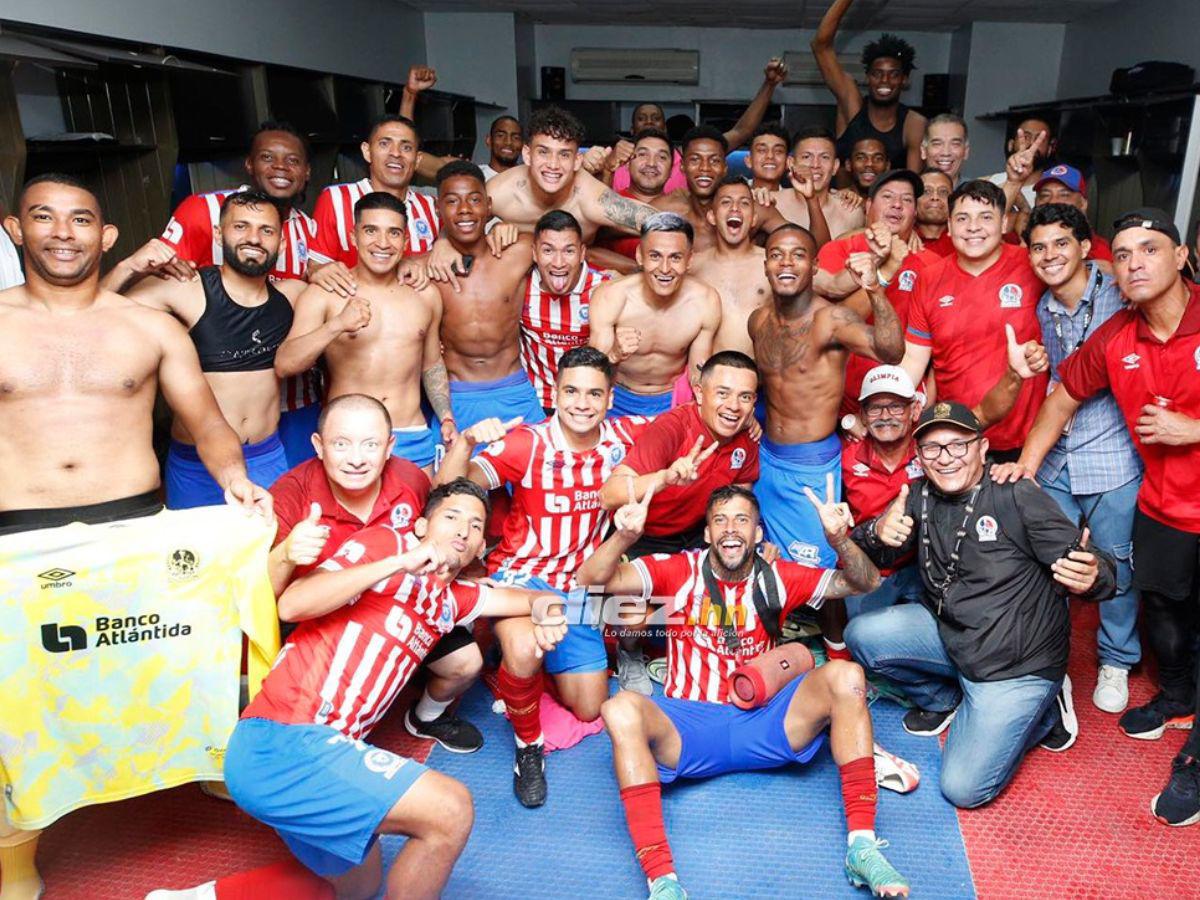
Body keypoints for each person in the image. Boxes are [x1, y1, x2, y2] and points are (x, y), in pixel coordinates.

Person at [211, 479, 568, 900]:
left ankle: (201, 896)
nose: (462, 530)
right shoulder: (384, 544)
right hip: (283, 737)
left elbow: (533, 599)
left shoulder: (453, 600)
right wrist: (399, 562)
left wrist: (551, 614)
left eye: (475, 527)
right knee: (449, 809)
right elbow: (292, 604)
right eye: (451, 517)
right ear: (420, 527)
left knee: (360, 888)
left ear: (477, 550)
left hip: (326, 751)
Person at [578, 485, 912, 900]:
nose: (730, 529)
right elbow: (589, 580)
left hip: (764, 719)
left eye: (742, 520)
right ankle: (662, 881)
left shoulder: (778, 575)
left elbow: (865, 583)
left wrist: (838, 539)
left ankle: (861, 848)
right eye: (720, 520)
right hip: (690, 726)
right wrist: (624, 537)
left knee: (846, 676)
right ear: (706, 533)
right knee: (619, 709)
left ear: (758, 534)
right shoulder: (678, 570)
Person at [1003, 208, 1200, 826]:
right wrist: (1026, 468)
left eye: (1149, 248)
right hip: (1164, 504)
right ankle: (1175, 698)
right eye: (1124, 253)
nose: (1135, 262)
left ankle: (1193, 765)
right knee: (1163, 607)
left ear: (1182, 256)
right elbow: (1061, 399)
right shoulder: (1117, 335)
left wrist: (1191, 429)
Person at [845, 401, 1114, 809]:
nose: (946, 458)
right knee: (862, 634)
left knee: (963, 788)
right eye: (933, 449)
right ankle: (946, 700)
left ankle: (1045, 709)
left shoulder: (1016, 493)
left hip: (1014, 663)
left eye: (958, 445)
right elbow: (875, 555)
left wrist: (1094, 575)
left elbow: (1099, 570)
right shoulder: (917, 496)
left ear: (983, 448)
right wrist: (875, 533)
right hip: (954, 635)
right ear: (920, 458)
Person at [436, 347, 650, 806]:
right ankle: (528, 746)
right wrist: (467, 443)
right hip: (522, 577)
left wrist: (747, 424)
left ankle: (512, 676)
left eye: (595, 393)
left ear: (611, 399)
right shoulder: (528, 443)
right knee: (528, 648)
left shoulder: (623, 439)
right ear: (554, 393)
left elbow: (688, 423)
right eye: (571, 391)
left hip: (575, 587)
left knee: (590, 706)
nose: (582, 403)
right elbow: (448, 490)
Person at [0, 173, 270, 526]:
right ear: (16, 230)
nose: (63, 232)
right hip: (18, 526)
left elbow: (208, 425)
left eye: (80, 220)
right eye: (43, 216)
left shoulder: (152, 328)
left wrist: (234, 478)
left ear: (106, 236)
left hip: (133, 519)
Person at [268, 394, 486, 754]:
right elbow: (263, 596)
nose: (356, 459)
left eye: (370, 445)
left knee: (465, 662)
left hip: (400, 605)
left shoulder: (409, 479)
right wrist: (285, 555)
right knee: (324, 737)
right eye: (342, 444)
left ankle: (425, 717)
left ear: (389, 447)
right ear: (319, 446)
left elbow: (439, 524)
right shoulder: (290, 496)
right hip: (324, 621)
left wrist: (465, 570)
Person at [992, 203, 1143, 713]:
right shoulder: (1043, 310)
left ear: (1085, 247)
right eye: (1038, 246)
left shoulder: (1121, 294)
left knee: (1114, 561)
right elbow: (1062, 381)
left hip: (1113, 454)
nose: (1049, 255)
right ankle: (1045, 660)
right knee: (1046, 562)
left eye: (1061, 243)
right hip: (1059, 454)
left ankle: (1118, 658)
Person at [750, 223, 902, 660]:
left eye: (798, 255)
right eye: (777, 254)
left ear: (815, 266)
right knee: (765, 556)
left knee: (823, 566)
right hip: (767, 461)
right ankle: (765, 647)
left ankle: (837, 656)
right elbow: (770, 388)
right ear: (765, 264)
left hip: (813, 466)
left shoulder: (831, 318)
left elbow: (889, 351)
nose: (786, 263)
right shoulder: (758, 320)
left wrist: (873, 289)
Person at [150, 121, 322, 467]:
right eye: (268, 157)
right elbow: (160, 274)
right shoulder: (203, 210)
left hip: (297, 401)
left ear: (306, 172)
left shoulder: (309, 228)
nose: (280, 168)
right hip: (218, 408)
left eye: (292, 161)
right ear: (249, 164)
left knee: (291, 506)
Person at [125, 191, 303, 508]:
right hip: (197, 465)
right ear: (220, 236)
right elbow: (94, 314)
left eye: (267, 230)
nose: (254, 238)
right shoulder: (186, 287)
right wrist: (129, 266)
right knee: (199, 557)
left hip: (267, 456)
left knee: (272, 555)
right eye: (241, 227)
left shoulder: (293, 295)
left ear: (282, 243)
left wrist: (323, 270)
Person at [598, 351, 762, 692]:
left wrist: (747, 551)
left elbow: (739, 502)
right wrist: (665, 477)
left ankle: (697, 645)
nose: (734, 405)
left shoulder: (746, 440)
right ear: (700, 392)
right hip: (644, 535)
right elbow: (609, 494)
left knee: (750, 579)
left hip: (694, 536)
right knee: (634, 616)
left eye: (744, 397)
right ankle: (630, 654)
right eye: (723, 393)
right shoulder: (671, 428)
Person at [276, 192, 451, 472]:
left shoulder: (425, 294)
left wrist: (446, 416)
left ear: (405, 240)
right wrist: (337, 325)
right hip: (348, 437)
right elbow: (285, 364)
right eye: (371, 231)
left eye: (393, 233)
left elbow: (431, 364)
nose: (383, 243)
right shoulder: (325, 293)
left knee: (418, 515)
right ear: (353, 236)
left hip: (410, 432)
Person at [901, 178, 1049, 463]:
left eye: (985, 217)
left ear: (1004, 223)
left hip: (1027, 442)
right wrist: (892, 407)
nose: (973, 228)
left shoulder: (1031, 265)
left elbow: (1076, 273)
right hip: (956, 439)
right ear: (949, 225)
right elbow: (913, 361)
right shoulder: (929, 279)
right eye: (962, 218)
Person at [430, 161, 546, 439]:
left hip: (515, 391)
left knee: (538, 480)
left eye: (474, 199)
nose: (465, 210)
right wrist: (439, 242)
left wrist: (630, 270)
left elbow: (574, 250)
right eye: (452, 201)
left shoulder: (520, 250)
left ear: (489, 205)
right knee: (454, 481)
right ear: (438, 208)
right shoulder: (428, 268)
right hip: (457, 397)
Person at [812, 169, 933, 418]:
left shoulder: (932, 264)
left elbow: (941, 346)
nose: (897, 205)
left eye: (907, 200)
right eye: (887, 197)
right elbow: (828, 324)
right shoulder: (838, 250)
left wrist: (924, 399)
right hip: (838, 399)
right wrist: (882, 269)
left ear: (915, 213)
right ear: (868, 206)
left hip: (903, 400)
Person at [587, 213, 720, 418]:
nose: (665, 269)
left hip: (673, 401)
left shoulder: (705, 301)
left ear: (689, 259)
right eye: (655, 256)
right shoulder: (611, 296)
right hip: (616, 397)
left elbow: (698, 371)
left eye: (675, 257)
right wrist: (614, 353)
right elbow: (591, 371)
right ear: (640, 255)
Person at [608, 59, 789, 194]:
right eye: (642, 118)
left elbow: (742, 131)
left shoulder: (689, 156)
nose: (649, 122)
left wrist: (769, 85)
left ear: (665, 128)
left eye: (655, 118)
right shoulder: (616, 159)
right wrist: (608, 164)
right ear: (631, 129)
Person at [308, 114, 441, 278]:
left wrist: (430, 254)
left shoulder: (432, 208)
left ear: (418, 159)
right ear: (367, 151)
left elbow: (461, 250)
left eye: (406, 147)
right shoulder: (336, 199)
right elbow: (316, 268)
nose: (396, 153)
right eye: (385, 144)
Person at [841, 366, 926, 618]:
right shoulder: (846, 460)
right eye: (875, 408)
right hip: (870, 569)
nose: (885, 416)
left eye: (896, 406)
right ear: (863, 416)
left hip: (921, 568)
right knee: (859, 635)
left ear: (914, 411)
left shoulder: (931, 452)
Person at [813, 0, 926, 172]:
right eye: (877, 73)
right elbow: (821, 46)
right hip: (839, 198)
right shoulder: (853, 106)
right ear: (868, 78)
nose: (885, 80)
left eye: (894, 74)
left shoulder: (913, 123)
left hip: (888, 199)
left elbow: (913, 184)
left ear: (904, 79)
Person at [652, 126, 800, 255]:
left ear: (725, 168)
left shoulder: (755, 210)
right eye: (695, 160)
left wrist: (812, 199)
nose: (705, 168)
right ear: (682, 166)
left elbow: (805, 245)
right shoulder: (664, 210)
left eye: (714, 160)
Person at [520, 211, 608, 414]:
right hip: (535, 401)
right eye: (548, 250)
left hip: (585, 405)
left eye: (569, 251)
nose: (558, 263)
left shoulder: (603, 289)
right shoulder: (519, 287)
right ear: (534, 253)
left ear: (582, 252)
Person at [690, 176, 771, 358]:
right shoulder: (693, 265)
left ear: (753, 219)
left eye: (744, 203)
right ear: (712, 216)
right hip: (709, 378)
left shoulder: (773, 263)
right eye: (726, 202)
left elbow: (831, 285)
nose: (735, 208)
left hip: (759, 380)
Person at [770, 127, 865, 241]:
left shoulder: (851, 212)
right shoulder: (772, 203)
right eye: (806, 156)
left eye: (824, 157)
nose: (815, 165)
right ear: (791, 163)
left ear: (835, 166)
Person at [597, 129, 675, 263]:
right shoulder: (613, 201)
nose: (651, 163)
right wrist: (607, 170)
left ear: (671, 169)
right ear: (627, 163)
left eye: (662, 157)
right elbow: (594, 232)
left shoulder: (680, 206)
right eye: (643, 154)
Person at [1012, 165, 1113, 262]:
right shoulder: (1017, 236)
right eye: (1045, 195)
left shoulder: (1101, 251)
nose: (1053, 201)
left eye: (1064, 195)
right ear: (1035, 201)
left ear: (1083, 204)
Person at [985, 117, 1057, 210]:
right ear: (1010, 145)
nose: (1032, 144)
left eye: (1040, 139)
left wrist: (1024, 206)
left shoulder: (1052, 194)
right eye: (1026, 137)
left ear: (1050, 149)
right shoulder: (988, 182)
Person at [915, 168, 954, 257]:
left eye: (943, 192)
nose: (935, 197)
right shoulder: (901, 238)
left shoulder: (965, 238)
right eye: (926, 191)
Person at [920, 115, 969, 185]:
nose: (946, 152)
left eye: (955, 144)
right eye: (937, 144)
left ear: (966, 151)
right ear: (923, 151)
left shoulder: (976, 193)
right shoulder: (909, 192)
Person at [747, 122, 791, 192]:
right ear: (748, 160)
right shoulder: (731, 193)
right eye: (762, 150)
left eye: (778, 151)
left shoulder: (794, 199)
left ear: (788, 162)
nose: (770, 156)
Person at [482, 115, 524, 180]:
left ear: (522, 144)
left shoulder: (533, 178)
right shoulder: (476, 177)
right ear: (489, 140)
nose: (508, 142)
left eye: (516, 138)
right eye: (500, 136)